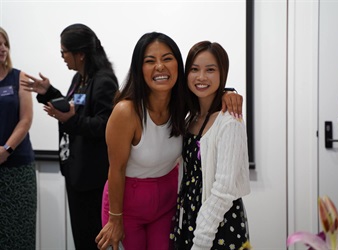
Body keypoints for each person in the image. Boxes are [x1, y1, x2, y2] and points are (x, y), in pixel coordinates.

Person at [95, 32, 243, 250]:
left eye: (167, 58)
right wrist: (115, 219)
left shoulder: (182, 106)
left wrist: (228, 93)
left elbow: (205, 92)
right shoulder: (126, 111)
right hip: (127, 206)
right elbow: (115, 170)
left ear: (178, 66)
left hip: (167, 204)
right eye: (150, 61)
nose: (160, 67)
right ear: (139, 68)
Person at [21, 23, 119, 249]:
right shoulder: (79, 78)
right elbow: (72, 109)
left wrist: (72, 121)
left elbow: (107, 126)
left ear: (80, 54)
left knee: (92, 239)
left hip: (92, 178)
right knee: (82, 238)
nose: (63, 57)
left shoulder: (103, 80)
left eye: (64, 52)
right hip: (76, 171)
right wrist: (49, 93)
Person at [170, 41, 251, 249]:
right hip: (188, 217)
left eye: (210, 70)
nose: (201, 77)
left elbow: (224, 189)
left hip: (217, 223)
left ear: (222, 73)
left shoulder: (230, 121)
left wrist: (202, 238)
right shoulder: (191, 117)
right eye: (194, 70)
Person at [0, 27, 37, 249]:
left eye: (4, 43)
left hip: (17, 167)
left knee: (19, 232)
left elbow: (25, 120)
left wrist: (6, 150)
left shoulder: (19, 77)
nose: (2, 48)